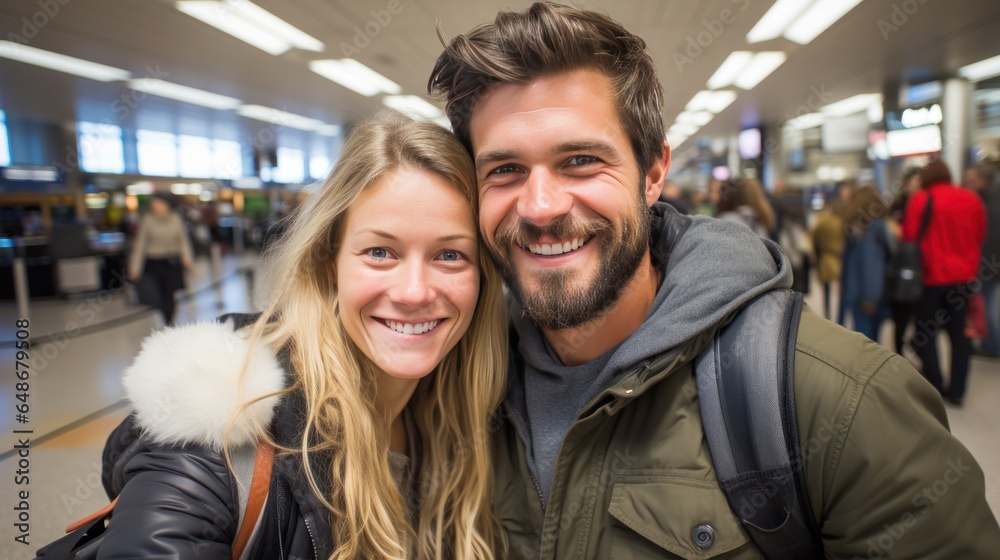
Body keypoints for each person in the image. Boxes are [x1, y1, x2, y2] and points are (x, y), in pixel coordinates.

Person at [428, 3, 1000, 558]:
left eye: (580, 160)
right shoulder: (449, 386)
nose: (541, 207)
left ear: (653, 173)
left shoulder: (839, 403)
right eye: (504, 170)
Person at [99, 112, 508, 559]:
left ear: (483, 278)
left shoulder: (469, 413)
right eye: (379, 252)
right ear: (328, 261)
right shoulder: (226, 420)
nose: (414, 292)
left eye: (450, 254)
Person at [904, 160, 987, 407]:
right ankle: (958, 391)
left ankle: (935, 384)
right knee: (959, 334)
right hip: (963, 278)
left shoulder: (921, 199)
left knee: (926, 331)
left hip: (931, 278)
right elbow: (979, 234)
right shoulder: (971, 198)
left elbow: (909, 236)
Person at [128, 192, 193, 325]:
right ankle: (164, 319)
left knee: (170, 294)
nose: (156, 205)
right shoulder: (147, 220)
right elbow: (140, 245)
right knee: (157, 294)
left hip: (172, 262)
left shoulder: (176, 219)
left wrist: (187, 259)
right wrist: (135, 267)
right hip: (154, 262)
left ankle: (169, 321)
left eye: (159, 202)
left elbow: (183, 241)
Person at [840, 186, 891, 341]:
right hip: (871, 295)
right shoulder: (874, 229)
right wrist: (871, 296)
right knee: (871, 342)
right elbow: (872, 265)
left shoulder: (859, 230)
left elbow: (868, 264)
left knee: (866, 342)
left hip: (861, 294)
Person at [965, 162, 1000, 357]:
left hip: (988, 265)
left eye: (972, 180)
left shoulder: (988, 203)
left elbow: (987, 239)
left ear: (983, 180)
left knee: (984, 307)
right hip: (990, 264)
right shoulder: (990, 197)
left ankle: (993, 345)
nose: (967, 184)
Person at [888, 167, 922, 354]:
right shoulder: (898, 205)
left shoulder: (927, 202)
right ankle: (899, 352)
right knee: (900, 313)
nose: (914, 186)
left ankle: (918, 346)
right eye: (912, 181)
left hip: (921, 265)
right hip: (901, 266)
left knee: (920, 313)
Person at [810, 197, 845, 320]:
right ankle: (840, 317)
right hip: (840, 259)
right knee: (842, 290)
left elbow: (813, 238)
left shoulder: (822, 221)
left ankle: (827, 314)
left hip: (825, 259)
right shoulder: (842, 221)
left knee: (826, 290)